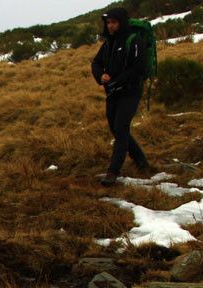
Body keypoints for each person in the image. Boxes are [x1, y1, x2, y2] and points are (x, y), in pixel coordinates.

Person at [91, 7, 150, 187]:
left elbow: (139, 68)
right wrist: (100, 76)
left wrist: (118, 81)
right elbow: (96, 63)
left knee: (121, 127)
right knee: (117, 129)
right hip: (113, 93)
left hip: (130, 91)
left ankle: (113, 171)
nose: (110, 26)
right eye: (108, 23)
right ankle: (141, 161)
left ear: (122, 22)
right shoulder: (109, 43)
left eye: (114, 22)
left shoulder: (134, 40)